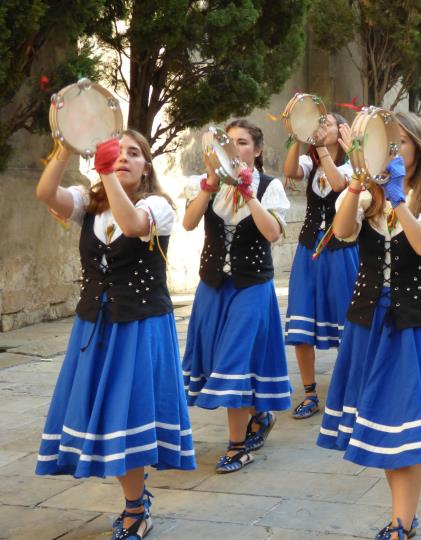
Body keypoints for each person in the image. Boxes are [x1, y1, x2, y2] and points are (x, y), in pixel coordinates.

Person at [35, 131, 195, 540]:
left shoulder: (158, 206)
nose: (123, 158)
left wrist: (105, 171)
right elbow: (45, 193)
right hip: (94, 325)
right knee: (107, 414)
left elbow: (131, 224)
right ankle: (136, 502)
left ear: (147, 167)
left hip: (140, 327)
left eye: (133, 153)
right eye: (116, 152)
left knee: (130, 413)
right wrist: (66, 144)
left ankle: (136, 508)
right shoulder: (88, 203)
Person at [317, 112, 421, 539]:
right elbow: (342, 232)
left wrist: (398, 199)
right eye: (386, 142)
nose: (392, 150)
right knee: (381, 423)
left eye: (401, 143)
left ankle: (401, 523)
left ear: (418, 148)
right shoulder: (366, 197)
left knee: (403, 426)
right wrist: (357, 184)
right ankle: (404, 517)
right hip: (368, 322)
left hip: (414, 325)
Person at [182, 119, 291, 472]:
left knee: (235, 361)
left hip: (252, 286)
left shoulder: (269, 186)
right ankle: (260, 414)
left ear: (256, 151)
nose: (234, 147)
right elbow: (188, 223)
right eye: (228, 141)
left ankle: (237, 447)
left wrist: (248, 194)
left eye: (242, 142)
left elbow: (272, 233)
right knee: (218, 358)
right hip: (213, 286)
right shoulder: (207, 185)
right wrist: (209, 185)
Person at [283, 113, 358, 420]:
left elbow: (339, 184)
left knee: (346, 320)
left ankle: (349, 389)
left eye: (327, 123)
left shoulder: (353, 164)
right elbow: (289, 171)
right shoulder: (309, 161)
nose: (320, 127)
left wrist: (323, 148)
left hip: (342, 250)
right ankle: (310, 392)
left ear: (341, 130)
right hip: (309, 248)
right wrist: (296, 133)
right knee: (301, 318)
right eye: (318, 122)